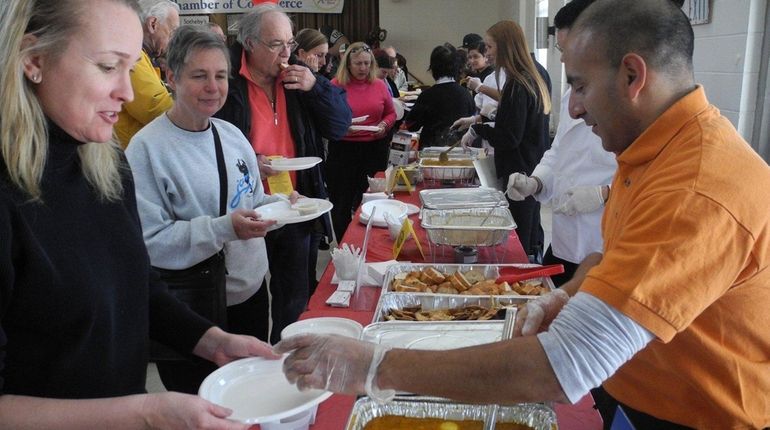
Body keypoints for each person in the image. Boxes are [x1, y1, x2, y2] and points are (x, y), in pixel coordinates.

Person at [275, 1, 770, 428]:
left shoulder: (697, 185)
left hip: (701, 417)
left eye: (579, 86)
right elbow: (610, 258)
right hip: (642, 393)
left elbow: (562, 366)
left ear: (633, 76)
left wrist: (374, 367)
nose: (572, 109)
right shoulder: (654, 149)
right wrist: (565, 297)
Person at [0, 1, 278, 428]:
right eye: (108, 66)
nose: (127, 94)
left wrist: (212, 341)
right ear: (34, 60)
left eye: (130, 69)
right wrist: (144, 414)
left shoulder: (106, 166)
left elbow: (139, 288)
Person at [126, 26, 292, 394]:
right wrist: (222, 229)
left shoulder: (231, 136)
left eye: (220, 76)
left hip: (248, 296)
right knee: (203, 406)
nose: (213, 87)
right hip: (191, 308)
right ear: (171, 77)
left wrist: (284, 206)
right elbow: (149, 242)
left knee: (250, 398)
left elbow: (252, 202)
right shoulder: (146, 150)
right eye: (199, 76)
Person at [215, 4, 351, 344]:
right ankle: (252, 365)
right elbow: (209, 139)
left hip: (295, 202)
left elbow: (339, 126)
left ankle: (287, 363)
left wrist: (315, 86)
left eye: (289, 43)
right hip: (244, 206)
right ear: (249, 43)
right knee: (245, 298)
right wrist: (249, 161)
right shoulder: (226, 80)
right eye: (277, 44)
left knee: (294, 296)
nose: (287, 52)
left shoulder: (300, 77)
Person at [505, 0, 616, 285]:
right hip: (566, 234)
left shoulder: (627, 100)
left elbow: (654, 175)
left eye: (569, 50)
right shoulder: (572, 95)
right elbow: (559, 152)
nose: (564, 60)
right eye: (560, 50)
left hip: (601, 238)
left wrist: (605, 193)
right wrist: (536, 182)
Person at [463, 20, 552, 262]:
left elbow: (509, 136)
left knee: (519, 236)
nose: (486, 53)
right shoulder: (533, 73)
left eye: (489, 47)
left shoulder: (518, 83)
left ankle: (522, 273)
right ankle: (532, 261)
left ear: (504, 46)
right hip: (532, 164)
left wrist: (478, 129)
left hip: (519, 169)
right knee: (531, 227)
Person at [328, 42, 396, 241]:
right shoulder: (335, 85)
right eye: (358, 64)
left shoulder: (379, 84)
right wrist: (341, 126)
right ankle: (343, 243)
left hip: (374, 147)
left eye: (367, 63)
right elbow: (326, 117)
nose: (363, 68)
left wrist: (385, 124)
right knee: (341, 201)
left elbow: (391, 113)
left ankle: (367, 241)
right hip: (343, 149)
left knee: (368, 200)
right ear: (348, 64)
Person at [114, 0, 178, 148]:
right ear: (153, 24)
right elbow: (155, 108)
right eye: (173, 31)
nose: (173, 40)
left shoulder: (142, 55)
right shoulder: (133, 55)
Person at [403, 44, 475, 148]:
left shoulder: (427, 95)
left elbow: (411, 125)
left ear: (432, 68)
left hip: (430, 149)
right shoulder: (466, 94)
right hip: (458, 149)